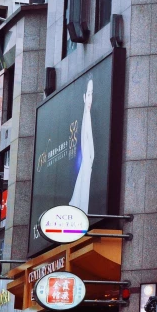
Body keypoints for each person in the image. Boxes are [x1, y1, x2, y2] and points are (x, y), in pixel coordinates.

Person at [70, 78, 94, 212]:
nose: (90, 99)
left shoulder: (89, 118)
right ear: (85, 97)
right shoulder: (85, 118)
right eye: (88, 94)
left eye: (92, 94)